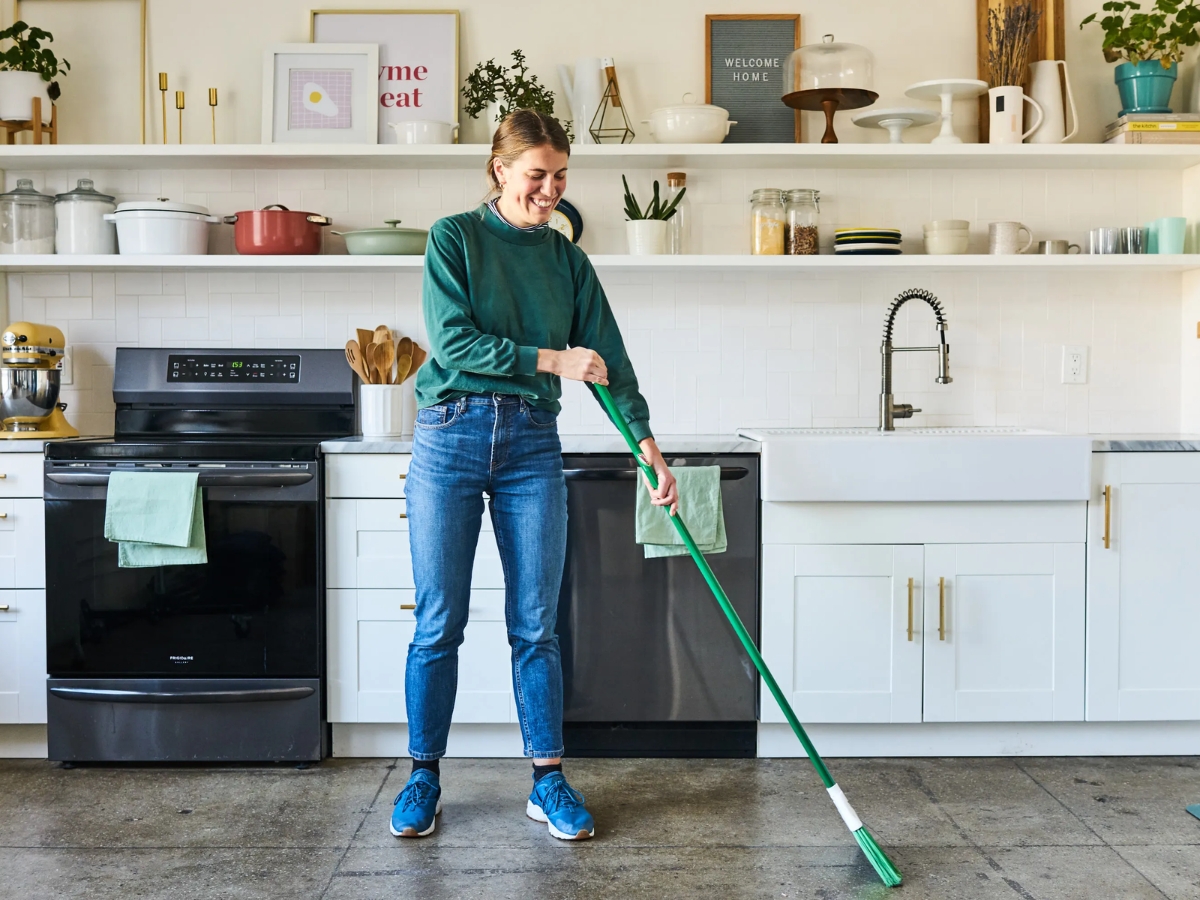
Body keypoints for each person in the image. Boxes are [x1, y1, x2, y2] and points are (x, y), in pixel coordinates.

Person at [389, 109, 678, 841]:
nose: (549, 191)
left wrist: (645, 443)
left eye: (559, 178)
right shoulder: (454, 238)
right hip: (449, 437)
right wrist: (551, 360)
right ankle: (423, 777)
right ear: (499, 170)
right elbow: (453, 343)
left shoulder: (567, 262)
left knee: (537, 625)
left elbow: (609, 359)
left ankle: (547, 781)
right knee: (437, 624)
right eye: (535, 176)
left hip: (529, 445)